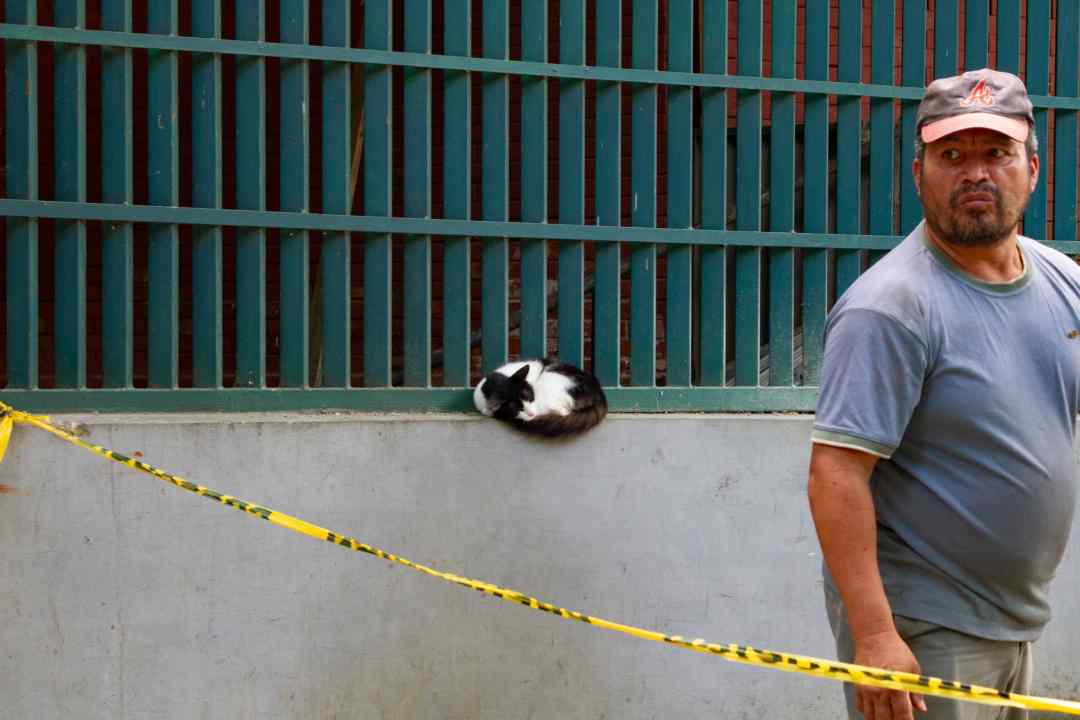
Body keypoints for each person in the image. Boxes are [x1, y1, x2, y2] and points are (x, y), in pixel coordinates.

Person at [808, 68, 1080, 720]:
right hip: (923, 625)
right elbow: (836, 472)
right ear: (919, 173)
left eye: (996, 153)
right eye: (952, 155)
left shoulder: (1061, 280)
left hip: (1014, 618)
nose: (975, 173)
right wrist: (875, 635)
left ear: (1033, 168)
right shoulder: (893, 307)